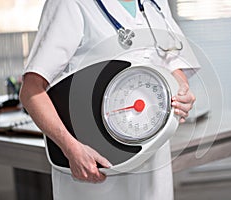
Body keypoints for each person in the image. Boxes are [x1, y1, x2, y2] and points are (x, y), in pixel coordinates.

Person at [19, 0, 198, 199]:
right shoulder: (69, 4)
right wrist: (71, 149)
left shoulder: (155, 3)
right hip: (94, 161)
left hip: (153, 155)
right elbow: (31, 90)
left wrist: (182, 91)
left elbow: (172, 63)